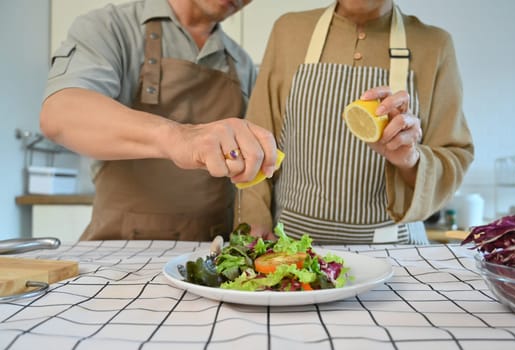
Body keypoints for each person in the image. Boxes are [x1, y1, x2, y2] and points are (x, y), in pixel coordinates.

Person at [237, 0, 474, 244]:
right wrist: (255, 219)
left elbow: (454, 156)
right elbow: (256, 141)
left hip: (395, 251)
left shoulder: (435, 45)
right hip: (290, 249)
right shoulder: (289, 31)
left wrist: (411, 162)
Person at [40, 0, 279, 241]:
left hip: (207, 258)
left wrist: (253, 219)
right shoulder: (111, 27)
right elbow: (60, 114)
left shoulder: (243, 64)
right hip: (119, 250)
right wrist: (180, 137)